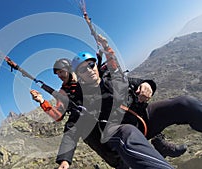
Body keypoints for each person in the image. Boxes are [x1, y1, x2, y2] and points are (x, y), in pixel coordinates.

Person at [30, 57, 189, 168]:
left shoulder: (91, 72)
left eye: (61, 71)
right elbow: (59, 116)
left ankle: (159, 142)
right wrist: (43, 102)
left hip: (120, 113)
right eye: (57, 74)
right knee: (115, 148)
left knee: (130, 105)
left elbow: (119, 79)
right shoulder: (66, 93)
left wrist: (145, 84)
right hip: (99, 125)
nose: (60, 76)